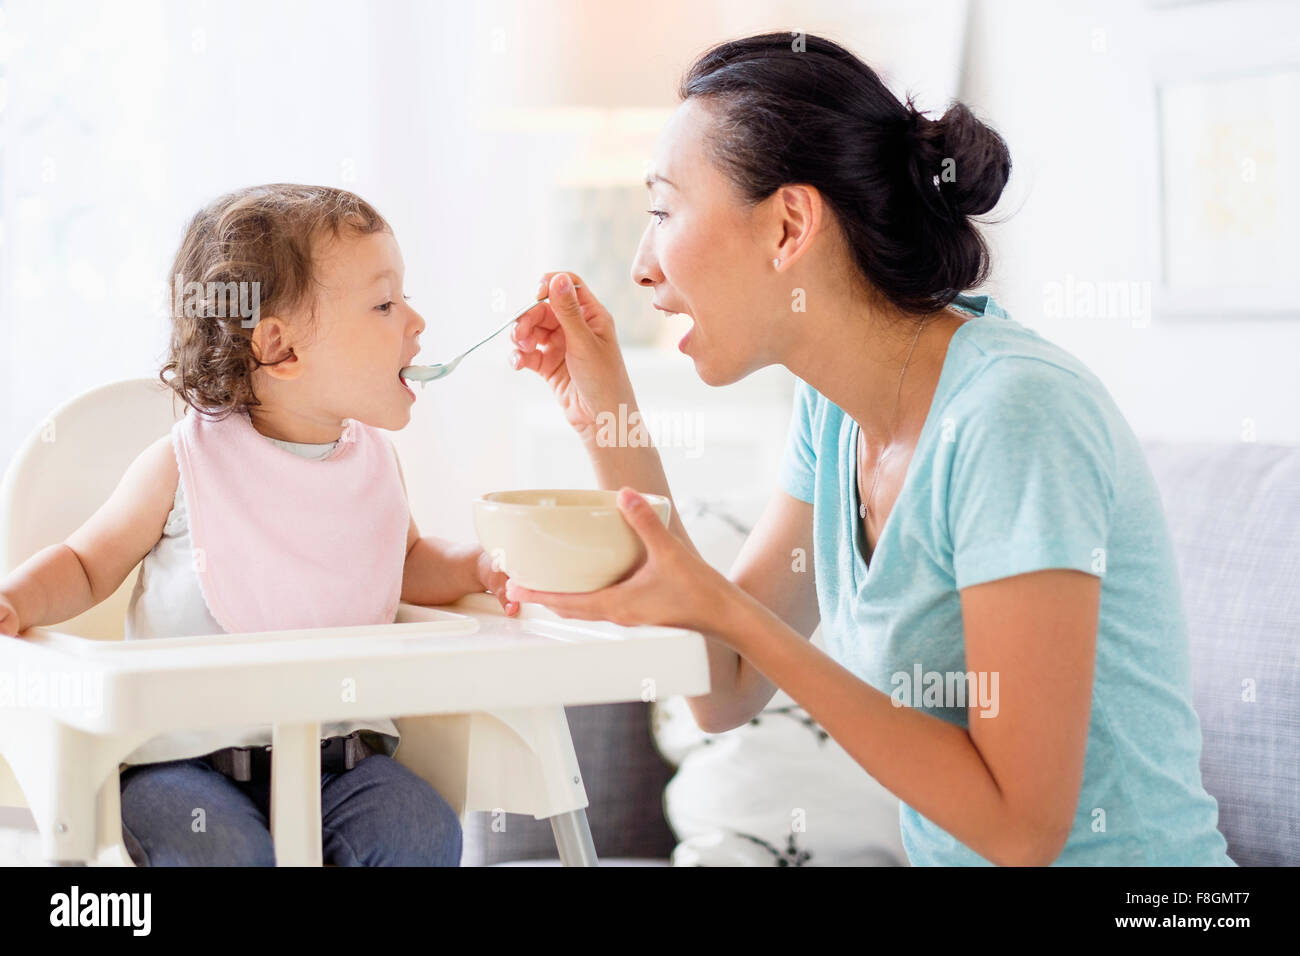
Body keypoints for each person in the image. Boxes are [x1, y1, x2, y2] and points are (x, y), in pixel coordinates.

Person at [504, 33, 1234, 866]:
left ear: (788, 226)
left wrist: (722, 603)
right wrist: (607, 411)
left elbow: (1022, 831)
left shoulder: (1015, 416)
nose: (641, 266)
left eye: (665, 211)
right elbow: (725, 686)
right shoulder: (834, 412)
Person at [0, 183, 517, 865]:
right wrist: (15, 601)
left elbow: (406, 562)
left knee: (420, 829)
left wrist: (476, 566)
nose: (416, 323)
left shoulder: (374, 463)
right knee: (227, 851)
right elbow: (86, 562)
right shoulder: (185, 461)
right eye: (386, 303)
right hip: (184, 763)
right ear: (281, 349)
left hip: (341, 765)